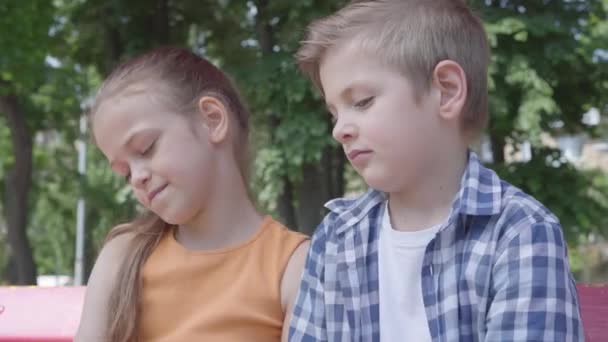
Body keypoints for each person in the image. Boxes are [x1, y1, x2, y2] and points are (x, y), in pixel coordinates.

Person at [288, 0, 583, 341]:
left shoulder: (520, 235)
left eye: (362, 101)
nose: (340, 130)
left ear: (446, 90)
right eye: (334, 114)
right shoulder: (336, 238)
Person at [75, 47, 309, 342]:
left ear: (212, 119)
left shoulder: (294, 265)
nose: (137, 177)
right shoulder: (121, 257)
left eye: (146, 148)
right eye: (124, 172)